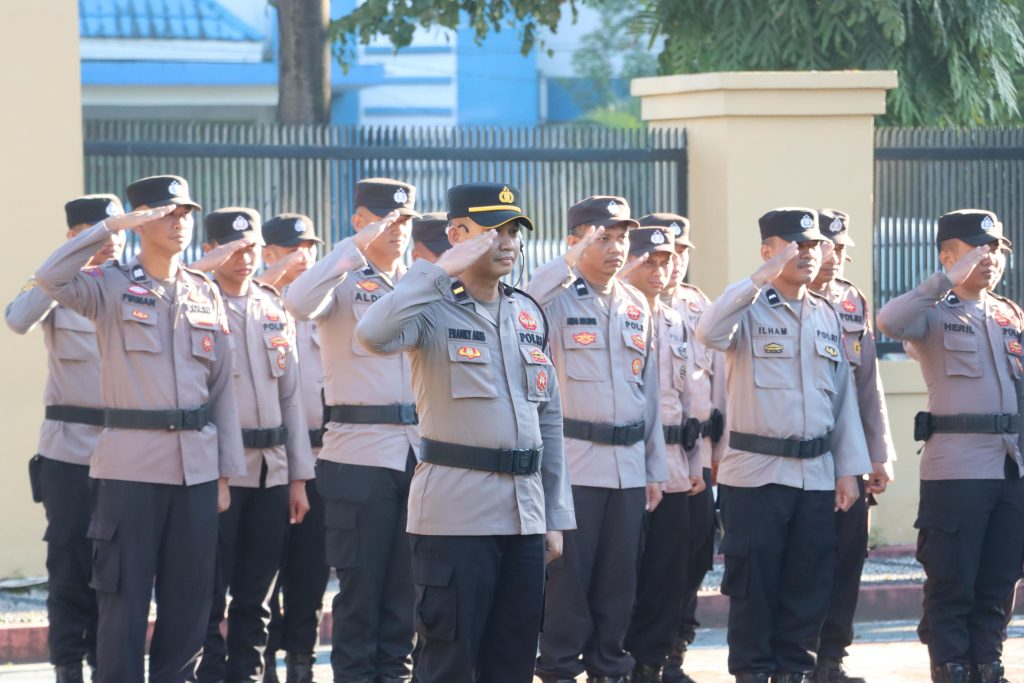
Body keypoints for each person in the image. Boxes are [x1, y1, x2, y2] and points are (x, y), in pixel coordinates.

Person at [354, 182, 574, 683]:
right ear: (456, 234)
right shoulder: (429, 306)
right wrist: (438, 270)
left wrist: (554, 515)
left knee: (512, 662)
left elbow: (549, 419)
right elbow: (371, 334)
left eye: (513, 231)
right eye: (492, 231)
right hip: (455, 516)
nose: (507, 242)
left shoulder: (526, 312)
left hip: (524, 517)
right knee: (447, 663)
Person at [34, 175, 246, 683]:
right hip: (130, 470)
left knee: (189, 605)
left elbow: (222, 389)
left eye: (185, 213)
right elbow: (50, 279)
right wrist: (108, 227)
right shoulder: (109, 285)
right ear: (141, 221)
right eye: (167, 213)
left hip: (196, 472)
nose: (180, 222)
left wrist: (223, 475)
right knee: (122, 604)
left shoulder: (203, 292)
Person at [695, 207, 870, 683]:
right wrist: (758, 278)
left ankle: (794, 673)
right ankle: (752, 673)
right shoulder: (747, 307)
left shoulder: (826, 314)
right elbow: (708, 332)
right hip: (757, 476)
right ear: (767, 250)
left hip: (814, 476)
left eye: (813, 245)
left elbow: (842, 401)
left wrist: (847, 469)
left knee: (808, 587)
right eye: (795, 245)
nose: (807, 253)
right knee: (754, 588)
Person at [876, 209, 1024, 683]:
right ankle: (951, 666)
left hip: (1010, 467)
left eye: (996, 249)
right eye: (978, 250)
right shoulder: (933, 313)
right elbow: (889, 321)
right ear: (947, 257)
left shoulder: (1010, 315)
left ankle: (987, 663)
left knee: (1000, 578)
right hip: (957, 469)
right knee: (952, 577)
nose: (990, 258)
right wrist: (944, 282)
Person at [285, 179, 421, 683]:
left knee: (406, 593)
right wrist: (352, 249)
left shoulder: (419, 284)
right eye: (387, 220)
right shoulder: (341, 281)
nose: (398, 229)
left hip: (416, 456)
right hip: (359, 457)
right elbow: (297, 302)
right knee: (361, 593)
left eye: (405, 220)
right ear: (359, 222)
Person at [530, 195, 668, 683]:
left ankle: (609, 669)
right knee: (568, 584)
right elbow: (524, 298)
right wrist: (567, 260)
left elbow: (649, 393)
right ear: (575, 241)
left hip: (627, 468)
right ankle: (559, 669)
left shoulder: (635, 304)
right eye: (602, 238)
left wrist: (654, 469)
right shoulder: (555, 298)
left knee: (618, 584)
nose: (616, 248)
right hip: (575, 465)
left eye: (621, 238)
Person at [5, 194, 126, 683]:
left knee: (118, 569)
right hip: (70, 452)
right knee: (70, 565)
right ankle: (67, 665)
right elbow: (17, 318)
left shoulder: (133, 285)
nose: (110, 242)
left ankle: (106, 664)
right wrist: (65, 267)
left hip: (127, 454)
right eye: (97, 233)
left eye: (116, 232)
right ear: (73, 237)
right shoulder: (53, 285)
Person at [192, 208, 313, 683]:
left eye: (252, 248)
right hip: (219, 472)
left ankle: (247, 674)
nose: (245, 257)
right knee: (209, 591)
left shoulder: (273, 306)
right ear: (209, 252)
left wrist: (298, 479)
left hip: (271, 471)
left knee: (258, 595)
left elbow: (292, 400)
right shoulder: (198, 304)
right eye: (234, 248)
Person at [809, 209, 897, 683]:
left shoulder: (851, 300)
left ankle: (831, 659)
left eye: (841, 248)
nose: (835, 256)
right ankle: (798, 657)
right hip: (802, 451)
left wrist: (879, 453)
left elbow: (869, 385)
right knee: (806, 560)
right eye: (826, 246)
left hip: (851, 455)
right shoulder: (782, 298)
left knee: (847, 559)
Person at [619, 226, 706, 683]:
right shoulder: (616, 312)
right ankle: (612, 662)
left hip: (674, 465)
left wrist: (696, 462)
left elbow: (690, 399)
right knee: (620, 575)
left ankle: (651, 665)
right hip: (624, 462)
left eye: (666, 260)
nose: (660, 269)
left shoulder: (676, 321)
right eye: (649, 260)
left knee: (668, 574)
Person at [642, 213, 727, 683]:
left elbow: (717, 387)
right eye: (664, 254)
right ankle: (643, 654)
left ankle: (674, 650)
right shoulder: (633, 304)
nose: (674, 263)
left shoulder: (699, 306)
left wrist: (716, 455)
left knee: (693, 559)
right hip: (647, 458)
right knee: (651, 564)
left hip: (696, 455)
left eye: (681, 253)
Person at [258, 213, 329, 683]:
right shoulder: (254, 305)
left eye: (310, 248)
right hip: (270, 458)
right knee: (264, 568)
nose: (304, 257)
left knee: (311, 568)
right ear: (268, 255)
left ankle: (302, 660)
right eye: (292, 249)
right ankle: (262, 660)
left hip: (321, 459)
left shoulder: (326, 305)